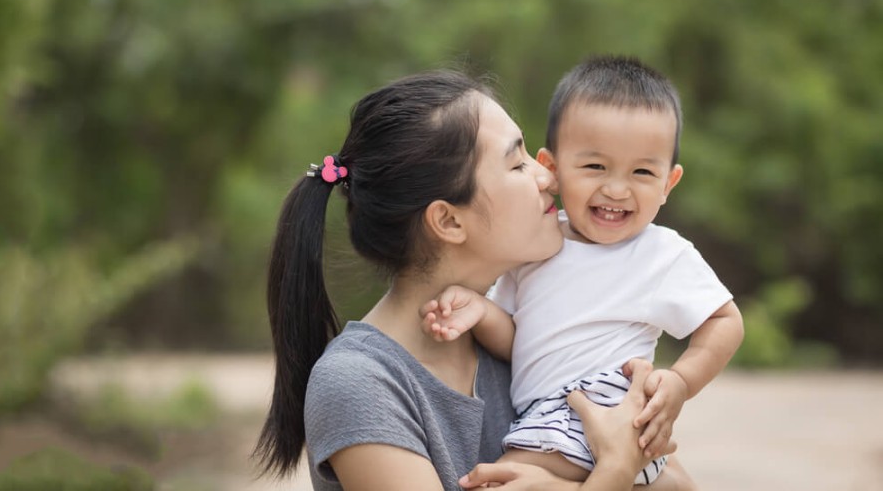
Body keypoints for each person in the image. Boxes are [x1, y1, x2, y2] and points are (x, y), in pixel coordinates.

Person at [254, 70, 696, 490]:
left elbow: (677, 482)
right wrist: (613, 472)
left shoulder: (525, 337)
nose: (549, 176)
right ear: (448, 220)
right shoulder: (360, 382)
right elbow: (628, 467)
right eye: (518, 165)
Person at [422, 57, 745, 485]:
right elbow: (521, 341)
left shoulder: (660, 254)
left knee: (504, 477)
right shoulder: (538, 246)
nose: (616, 188)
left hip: (607, 404)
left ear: (668, 184)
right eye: (595, 167)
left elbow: (725, 320)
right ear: (552, 169)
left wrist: (681, 382)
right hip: (545, 416)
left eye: (643, 172)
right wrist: (480, 311)